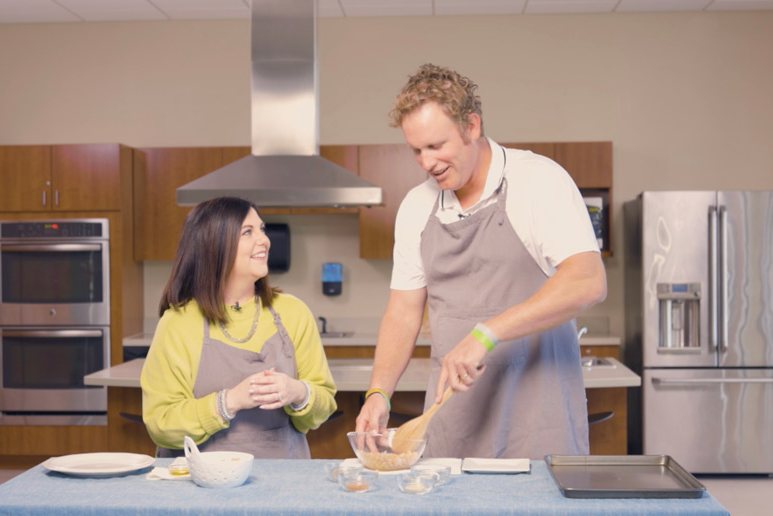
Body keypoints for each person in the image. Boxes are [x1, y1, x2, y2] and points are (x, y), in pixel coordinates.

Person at [354, 64, 607, 459]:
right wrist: (378, 392)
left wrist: (485, 334)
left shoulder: (537, 182)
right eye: (416, 150)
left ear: (471, 126)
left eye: (437, 146)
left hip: (537, 414)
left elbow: (586, 281)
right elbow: (403, 312)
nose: (426, 162)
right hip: (455, 417)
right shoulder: (417, 207)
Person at [141, 196, 337, 458]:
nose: (264, 240)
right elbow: (161, 423)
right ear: (214, 245)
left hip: (283, 484)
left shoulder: (293, 312)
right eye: (248, 232)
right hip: (199, 488)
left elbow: (323, 405)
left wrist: (298, 392)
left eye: (262, 229)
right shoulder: (178, 323)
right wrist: (228, 402)